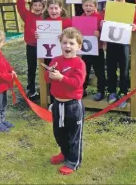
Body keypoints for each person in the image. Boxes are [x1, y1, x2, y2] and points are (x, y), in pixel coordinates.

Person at [44, 27, 86, 175]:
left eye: (71, 43)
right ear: (60, 44)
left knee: (74, 135)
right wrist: (49, 73)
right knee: (59, 132)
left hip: (73, 105)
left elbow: (77, 83)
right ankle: (64, 152)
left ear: (78, 47)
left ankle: (73, 161)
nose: (67, 46)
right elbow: (46, 79)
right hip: (57, 104)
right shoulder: (55, 60)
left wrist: (61, 77)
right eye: (64, 42)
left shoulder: (79, 63)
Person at [103, 0, 136, 108]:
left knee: (124, 71)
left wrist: (134, 26)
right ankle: (112, 92)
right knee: (111, 69)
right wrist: (102, 24)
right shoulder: (109, 7)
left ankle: (124, 92)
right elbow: (103, 21)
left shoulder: (130, 9)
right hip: (111, 44)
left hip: (124, 44)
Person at [37, 0, 72, 104]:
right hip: (49, 56)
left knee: (64, 77)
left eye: (56, 8)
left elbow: (72, 37)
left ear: (61, 9)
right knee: (52, 79)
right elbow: (41, 40)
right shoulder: (44, 22)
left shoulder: (67, 21)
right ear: (47, 9)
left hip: (64, 55)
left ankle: (65, 100)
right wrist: (38, 35)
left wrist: (63, 36)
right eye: (51, 8)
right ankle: (53, 103)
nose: (53, 11)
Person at [16, 0, 46, 100]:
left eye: (39, 5)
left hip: (45, 46)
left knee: (47, 67)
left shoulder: (46, 16)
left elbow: (51, 2)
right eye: (35, 5)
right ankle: (31, 90)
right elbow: (20, 5)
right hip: (31, 46)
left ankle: (46, 90)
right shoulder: (27, 15)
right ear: (31, 6)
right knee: (31, 68)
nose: (37, 7)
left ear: (43, 7)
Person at [79, 0, 106, 101]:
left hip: (98, 49)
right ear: (82, 6)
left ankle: (101, 91)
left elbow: (106, 32)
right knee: (84, 70)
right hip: (85, 50)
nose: (88, 8)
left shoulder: (100, 17)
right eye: (86, 5)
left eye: (91, 6)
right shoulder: (81, 18)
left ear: (95, 6)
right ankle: (83, 89)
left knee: (99, 71)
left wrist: (99, 33)